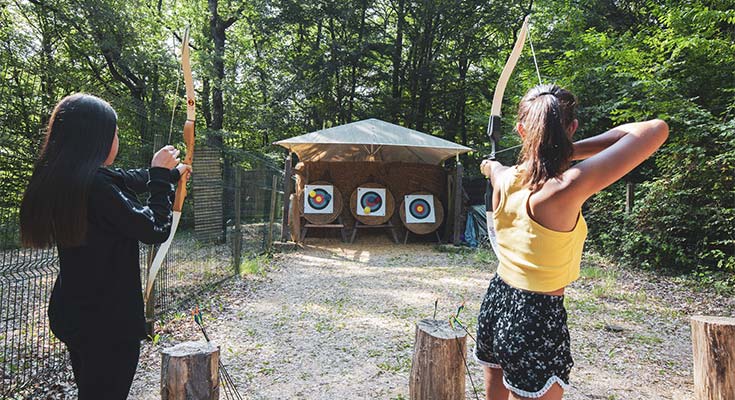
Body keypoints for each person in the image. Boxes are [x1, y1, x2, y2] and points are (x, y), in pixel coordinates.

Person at [476, 84, 668, 399]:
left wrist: (490, 165)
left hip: (497, 302)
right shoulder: (564, 189)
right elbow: (656, 129)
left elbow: (493, 168)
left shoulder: (506, 177)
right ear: (573, 129)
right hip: (536, 317)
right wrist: (570, 149)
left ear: (521, 130)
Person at [19, 93, 191, 399]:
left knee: (93, 389)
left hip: (77, 313)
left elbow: (126, 180)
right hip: (108, 322)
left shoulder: (67, 177)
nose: (117, 139)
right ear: (95, 138)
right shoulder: (96, 187)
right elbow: (154, 229)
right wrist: (162, 180)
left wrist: (167, 174)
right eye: (114, 132)